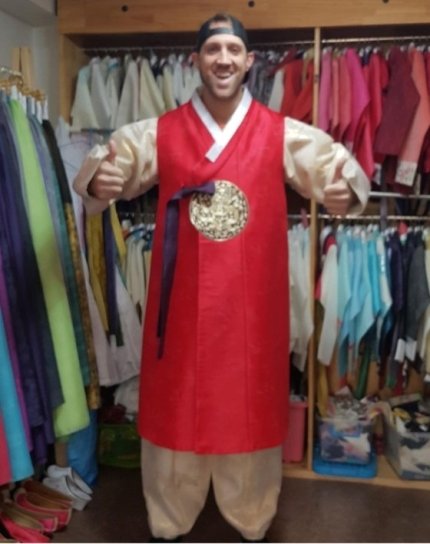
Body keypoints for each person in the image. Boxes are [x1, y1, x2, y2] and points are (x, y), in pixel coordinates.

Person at [74, 12, 369, 542]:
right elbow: (112, 163)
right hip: (180, 303)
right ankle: (169, 515)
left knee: (248, 399)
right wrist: (101, 180)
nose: (224, 59)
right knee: (176, 400)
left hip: (250, 304)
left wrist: (345, 191)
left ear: (249, 61)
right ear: (196, 60)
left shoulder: (278, 132)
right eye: (213, 50)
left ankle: (251, 513)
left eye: (234, 49)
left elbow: (334, 166)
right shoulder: (162, 131)